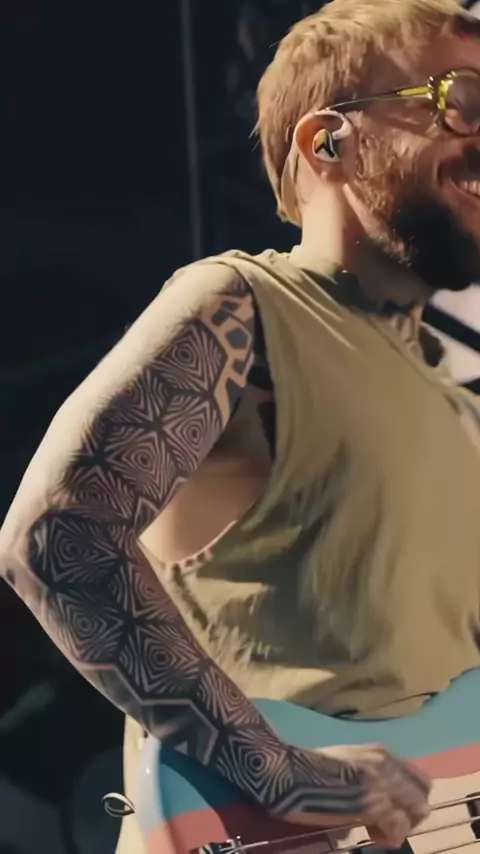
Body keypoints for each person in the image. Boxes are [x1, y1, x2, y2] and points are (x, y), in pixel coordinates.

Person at [2, 0, 480, 850]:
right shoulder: (243, 305)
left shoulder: (457, 401)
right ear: (327, 143)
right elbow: (57, 534)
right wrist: (275, 769)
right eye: (462, 102)